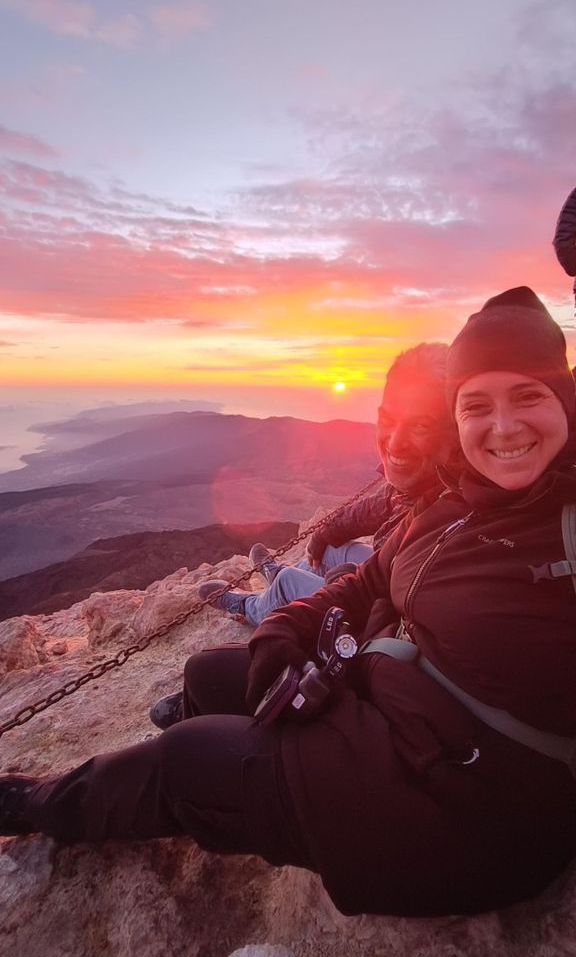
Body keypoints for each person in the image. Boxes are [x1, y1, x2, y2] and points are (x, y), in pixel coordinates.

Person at [2, 285, 576, 920]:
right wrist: (284, 630)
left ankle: (36, 803)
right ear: (460, 417)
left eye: (528, 394)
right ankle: (215, 767)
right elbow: (366, 582)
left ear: (566, 397)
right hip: (396, 716)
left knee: (184, 761)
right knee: (207, 672)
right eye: (477, 404)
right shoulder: (456, 506)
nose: (503, 426)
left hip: (465, 807)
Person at [195, 343, 456, 628]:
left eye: (421, 426)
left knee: (289, 581)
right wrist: (323, 536)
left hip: (376, 616)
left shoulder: (448, 510)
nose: (394, 442)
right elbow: (371, 509)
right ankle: (279, 583)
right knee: (333, 548)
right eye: (388, 419)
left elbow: (399, 599)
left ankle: (253, 606)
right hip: (376, 583)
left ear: (454, 432)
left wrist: (344, 583)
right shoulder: (426, 483)